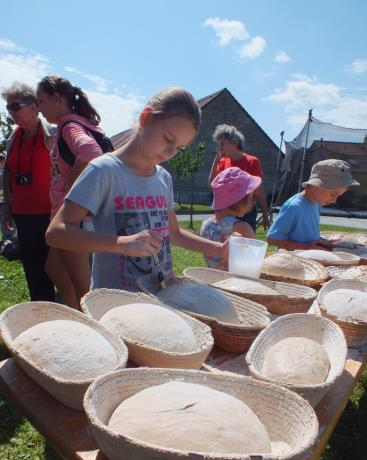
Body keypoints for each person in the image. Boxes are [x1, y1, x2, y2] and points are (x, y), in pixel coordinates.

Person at [45, 87, 229, 291]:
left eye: (179, 148)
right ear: (146, 118)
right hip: (117, 304)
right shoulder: (104, 170)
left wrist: (220, 249)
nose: (170, 153)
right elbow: (55, 233)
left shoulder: (163, 178)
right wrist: (121, 243)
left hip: (162, 295)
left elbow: (173, 233)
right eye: (168, 139)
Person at [36, 75, 106, 309]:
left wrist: (70, 183)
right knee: (52, 268)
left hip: (75, 218)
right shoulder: (67, 126)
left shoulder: (69, 125)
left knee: (82, 285)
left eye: (41, 102)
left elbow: (90, 151)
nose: (39, 109)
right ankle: (73, 311)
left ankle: (93, 324)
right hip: (64, 218)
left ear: (57, 98)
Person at [1, 82, 55, 301]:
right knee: (33, 268)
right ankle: (41, 309)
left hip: (52, 213)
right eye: (8, 108)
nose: (11, 112)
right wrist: (7, 208)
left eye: (15, 106)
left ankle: (66, 311)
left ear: (34, 106)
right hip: (23, 214)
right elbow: (8, 175)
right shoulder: (13, 138)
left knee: (56, 267)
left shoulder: (52, 134)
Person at [267, 159, 359, 251]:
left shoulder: (315, 203)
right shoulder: (294, 207)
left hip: (308, 256)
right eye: (333, 194)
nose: (334, 201)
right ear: (316, 185)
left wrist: (323, 241)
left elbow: (308, 236)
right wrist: (306, 247)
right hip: (291, 260)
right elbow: (272, 239)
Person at [208, 124, 270, 231]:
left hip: (247, 213)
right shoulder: (222, 162)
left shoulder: (252, 162)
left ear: (235, 143)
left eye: (223, 144)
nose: (220, 148)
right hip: (227, 212)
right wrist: (216, 161)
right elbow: (211, 185)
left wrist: (265, 215)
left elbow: (259, 191)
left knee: (247, 244)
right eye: (219, 144)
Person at [200, 167, 261, 270]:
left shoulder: (205, 225)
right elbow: (258, 257)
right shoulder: (242, 228)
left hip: (212, 280)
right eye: (252, 196)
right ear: (239, 200)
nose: (253, 202)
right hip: (236, 283)